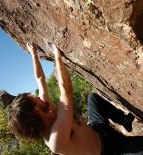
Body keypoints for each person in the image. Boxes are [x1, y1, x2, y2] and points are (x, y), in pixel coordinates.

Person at [8, 43, 143, 155]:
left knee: (93, 99)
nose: (38, 97)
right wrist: (57, 55)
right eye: (34, 99)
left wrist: (34, 55)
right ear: (36, 110)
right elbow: (66, 90)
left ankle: (124, 121)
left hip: (97, 129)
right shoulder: (55, 138)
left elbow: (40, 79)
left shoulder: (46, 110)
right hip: (109, 149)